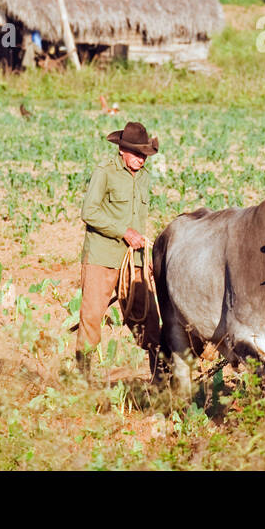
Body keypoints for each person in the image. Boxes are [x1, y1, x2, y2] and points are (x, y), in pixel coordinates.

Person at [76, 120, 161, 380]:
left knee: (147, 319)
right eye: (136, 153)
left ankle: (160, 380)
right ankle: (83, 381)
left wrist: (145, 256)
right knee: (91, 318)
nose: (141, 160)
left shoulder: (144, 177)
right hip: (102, 256)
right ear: (122, 150)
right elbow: (88, 212)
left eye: (144, 154)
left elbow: (139, 217)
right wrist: (123, 231)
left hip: (133, 259)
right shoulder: (105, 171)